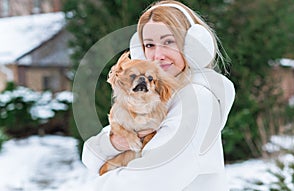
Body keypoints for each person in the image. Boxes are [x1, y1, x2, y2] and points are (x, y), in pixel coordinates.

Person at [81, 1, 235, 190]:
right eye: (149, 45)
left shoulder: (198, 99)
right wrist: (115, 143)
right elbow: (90, 155)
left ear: (192, 44)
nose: (157, 55)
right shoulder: (154, 95)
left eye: (169, 42)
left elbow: (152, 178)